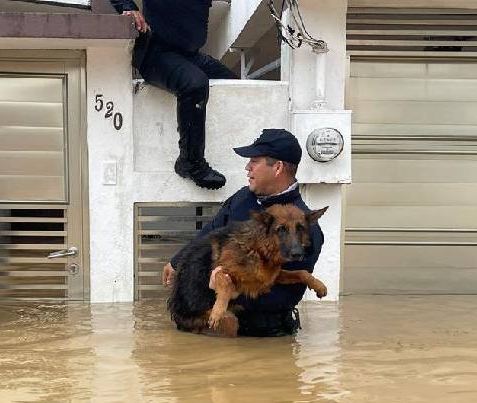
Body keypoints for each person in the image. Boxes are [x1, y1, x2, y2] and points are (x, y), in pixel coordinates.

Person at [162, 129, 325, 336]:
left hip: (263, 337)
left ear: (277, 167)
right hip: (212, 324)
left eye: (254, 161)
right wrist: (176, 261)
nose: (247, 168)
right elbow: (211, 231)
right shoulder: (242, 197)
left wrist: (228, 291)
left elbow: (284, 297)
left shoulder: (304, 229)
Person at [109, 0, 237, 190]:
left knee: (232, 81)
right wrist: (128, 7)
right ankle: (190, 161)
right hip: (156, 53)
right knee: (194, 84)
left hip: (191, 55)